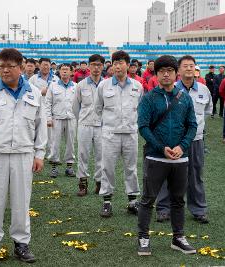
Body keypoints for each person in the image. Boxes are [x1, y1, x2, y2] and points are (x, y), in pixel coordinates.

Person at [0, 48, 47, 264]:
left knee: (21, 201)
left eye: (10, 66)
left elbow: (40, 126)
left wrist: (39, 154)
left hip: (24, 154)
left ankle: (21, 243)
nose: (5, 70)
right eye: (1, 66)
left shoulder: (33, 92)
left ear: (21, 67)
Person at [137, 55, 198, 256]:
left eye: (169, 71)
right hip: (155, 157)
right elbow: (143, 127)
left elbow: (192, 126)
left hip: (180, 158)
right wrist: (161, 147)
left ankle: (178, 238)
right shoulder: (149, 97)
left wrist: (182, 146)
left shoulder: (185, 97)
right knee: (148, 199)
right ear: (156, 75)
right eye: (161, 71)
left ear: (176, 73)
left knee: (178, 200)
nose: (166, 74)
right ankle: (144, 238)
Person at [155, 55, 212, 224]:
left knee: (196, 175)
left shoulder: (203, 89)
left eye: (192, 66)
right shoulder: (168, 89)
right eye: (185, 66)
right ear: (178, 71)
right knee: (167, 174)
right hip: (173, 141)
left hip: (195, 140)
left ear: (195, 69)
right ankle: (164, 209)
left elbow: (207, 111)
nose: (189, 68)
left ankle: (198, 209)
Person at [94, 50, 143, 217]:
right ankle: (107, 202)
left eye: (121, 63)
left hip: (130, 133)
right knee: (107, 168)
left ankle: (132, 201)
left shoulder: (137, 86)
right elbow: (97, 108)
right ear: (111, 66)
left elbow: (140, 108)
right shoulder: (103, 85)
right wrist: (109, 124)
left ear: (128, 66)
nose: (118, 66)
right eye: (115, 63)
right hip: (110, 134)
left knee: (131, 168)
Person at [72, 54, 105, 196]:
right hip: (85, 124)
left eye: (99, 65)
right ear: (88, 66)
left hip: (102, 126)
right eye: (93, 65)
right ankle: (82, 184)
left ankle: (99, 182)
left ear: (103, 66)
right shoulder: (81, 85)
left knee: (101, 156)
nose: (96, 68)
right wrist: (82, 119)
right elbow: (75, 106)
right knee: (83, 154)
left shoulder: (107, 84)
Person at [45, 64, 77, 178]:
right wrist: (48, 118)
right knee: (54, 143)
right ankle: (54, 168)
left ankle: (69, 167)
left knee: (71, 144)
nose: (64, 72)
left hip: (71, 118)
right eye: (62, 70)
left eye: (67, 70)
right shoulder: (53, 86)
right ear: (59, 72)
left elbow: (79, 104)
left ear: (71, 72)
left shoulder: (76, 86)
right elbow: (47, 103)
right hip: (56, 118)